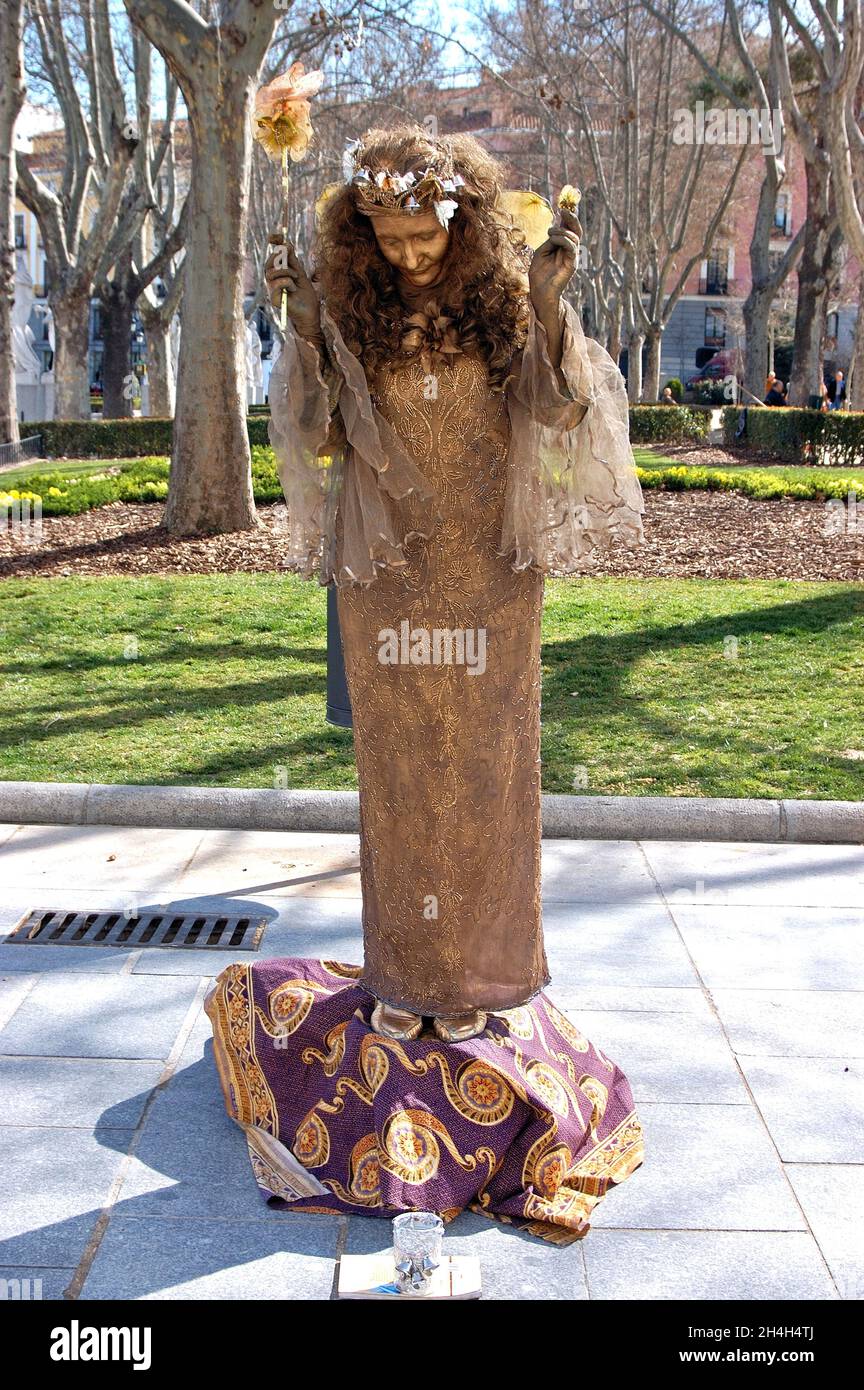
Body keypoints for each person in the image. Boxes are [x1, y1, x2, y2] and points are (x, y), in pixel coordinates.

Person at [205, 126, 646, 1243]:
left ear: (463, 216)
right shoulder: (352, 306)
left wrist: (549, 303)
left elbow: (557, 411)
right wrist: (301, 326)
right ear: (362, 231)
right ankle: (407, 968)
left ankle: (484, 976)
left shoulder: (500, 298)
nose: (407, 254)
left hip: (492, 573)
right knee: (403, 766)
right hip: (390, 567)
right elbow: (309, 431)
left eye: (426, 231)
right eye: (388, 236)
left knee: (492, 766)